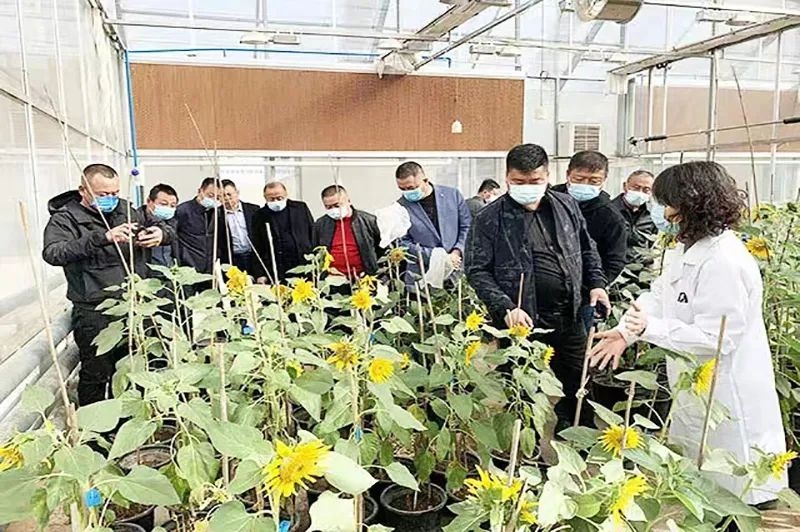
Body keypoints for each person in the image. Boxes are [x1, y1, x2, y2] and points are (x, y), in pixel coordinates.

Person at [589, 161, 785, 506]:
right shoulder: (688, 249)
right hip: (695, 382)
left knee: (736, 484)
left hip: (727, 389)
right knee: (703, 481)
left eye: (668, 204)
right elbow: (659, 296)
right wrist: (625, 332)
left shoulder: (724, 261)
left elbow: (717, 338)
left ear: (693, 206)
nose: (663, 213)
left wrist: (650, 329)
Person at [465, 144, 609, 429]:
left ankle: (575, 433)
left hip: (568, 314)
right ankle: (523, 443)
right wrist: (506, 306)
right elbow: (477, 270)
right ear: (507, 178)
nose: (527, 188)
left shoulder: (566, 206)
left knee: (579, 380)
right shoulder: (489, 218)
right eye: (519, 182)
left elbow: (586, 248)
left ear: (548, 176)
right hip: (521, 321)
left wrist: (596, 284)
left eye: (535, 181)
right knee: (523, 387)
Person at [42, 164, 171, 405]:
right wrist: (102, 237)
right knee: (97, 373)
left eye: (115, 193)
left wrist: (160, 234)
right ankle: (94, 425)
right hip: (95, 310)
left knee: (133, 370)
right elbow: (53, 253)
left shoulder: (126, 210)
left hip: (133, 305)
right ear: (83, 190)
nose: (111, 199)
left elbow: (163, 226)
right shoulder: (66, 218)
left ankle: (127, 421)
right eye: (103, 194)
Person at [395, 161, 471, 287]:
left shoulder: (453, 195)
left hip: (456, 270)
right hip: (421, 275)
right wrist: (438, 257)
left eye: (411, 188)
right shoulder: (400, 207)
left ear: (425, 180)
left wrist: (457, 251)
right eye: (402, 189)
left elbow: (467, 227)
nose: (407, 192)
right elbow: (403, 242)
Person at [313, 185, 382, 278]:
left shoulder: (369, 221)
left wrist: (371, 270)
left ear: (349, 201)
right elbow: (316, 251)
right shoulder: (320, 224)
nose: (333, 210)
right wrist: (326, 272)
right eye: (328, 207)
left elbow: (381, 248)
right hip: (333, 278)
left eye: (337, 205)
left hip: (363, 278)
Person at [250, 181, 314, 283]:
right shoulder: (259, 215)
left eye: (279, 198)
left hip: (302, 264)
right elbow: (257, 246)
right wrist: (260, 274)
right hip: (276, 268)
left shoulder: (300, 208)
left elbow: (312, 234)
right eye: (271, 199)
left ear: (286, 194)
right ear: (265, 198)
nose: (276, 201)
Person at [174, 177, 226, 275]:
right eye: (210, 195)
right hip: (188, 268)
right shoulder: (183, 210)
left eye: (218, 197)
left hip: (210, 269)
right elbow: (173, 237)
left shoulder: (217, 213)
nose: (214, 200)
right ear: (200, 191)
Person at [611, 170, 658, 264]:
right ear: (625, 186)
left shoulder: (652, 215)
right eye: (636, 188)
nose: (640, 193)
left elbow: (651, 243)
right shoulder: (610, 210)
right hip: (612, 266)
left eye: (646, 190)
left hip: (640, 267)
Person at [220, 179, 260, 273]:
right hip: (232, 259)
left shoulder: (254, 210)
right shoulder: (216, 215)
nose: (226, 198)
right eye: (222, 196)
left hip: (254, 257)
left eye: (229, 194)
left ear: (237, 193)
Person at [139, 183, 179, 270]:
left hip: (170, 270)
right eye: (163, 204)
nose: (168, 208)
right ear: (149, 201)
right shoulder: (136, 218)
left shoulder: (173, 221)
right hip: (148, 272)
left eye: (172, 205)